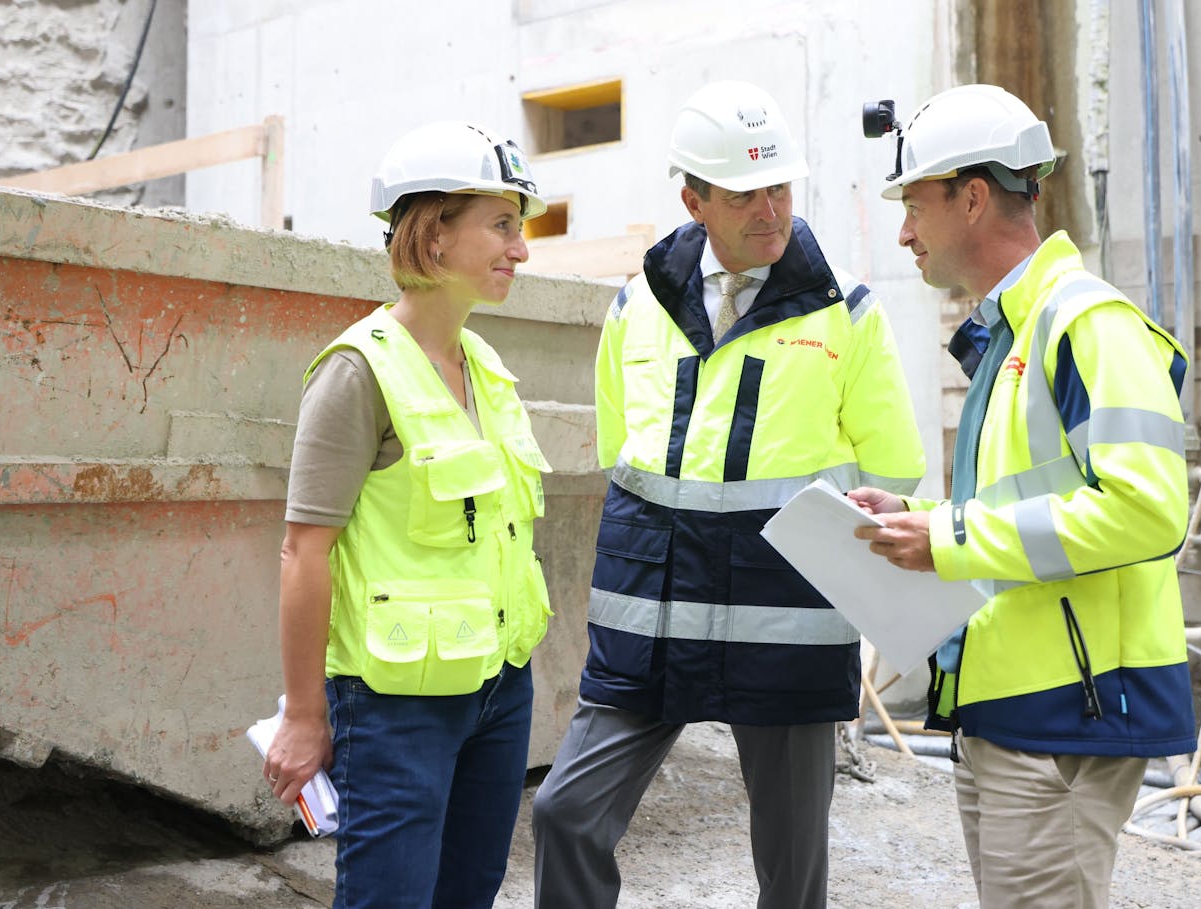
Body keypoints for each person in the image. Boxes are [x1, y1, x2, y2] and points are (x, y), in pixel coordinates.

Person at [530, 80, 926, 909]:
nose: (771, 210)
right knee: (567, 812)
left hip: (785, 623)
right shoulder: (635, 305)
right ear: (694, 199)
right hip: (654, 619)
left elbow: (893, 469)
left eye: (782, 187)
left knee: (791, 867)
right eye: (747, 194)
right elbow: (622, 456)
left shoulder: (846, 311)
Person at [849, 84, 1198, 909]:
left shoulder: (1086, 323)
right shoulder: (1017, 334)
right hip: (1014, 706)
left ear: (972, 198)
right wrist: (924, 524)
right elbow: (1031, 504)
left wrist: (950, 538)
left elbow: (1147, 509)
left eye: (914, 205)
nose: (903, 231)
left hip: (1067, 716)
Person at [263, 121, 555, 909]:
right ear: (432, 237)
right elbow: (303, 553)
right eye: (500, 226)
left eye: (517, 229)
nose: (519, 250)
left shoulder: (486, 368)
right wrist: (303, 713)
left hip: (499, 688)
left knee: (470, 894)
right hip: (395, 708)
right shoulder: (358, 372)